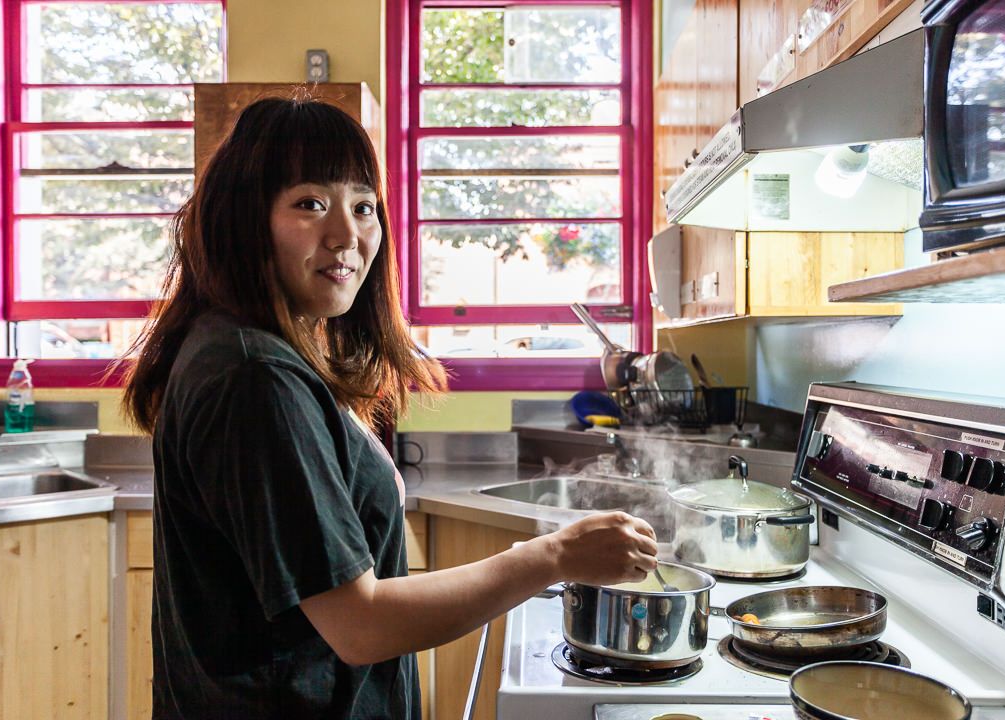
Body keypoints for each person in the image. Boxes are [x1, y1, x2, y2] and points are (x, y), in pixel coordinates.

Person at [121, 95, 660, 720]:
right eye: (310, 203)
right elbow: (360, 625)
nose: (347, 235)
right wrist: (552, 557)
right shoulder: (255, 378)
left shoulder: (258, 352)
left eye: (363, 207)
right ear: (244, 219)